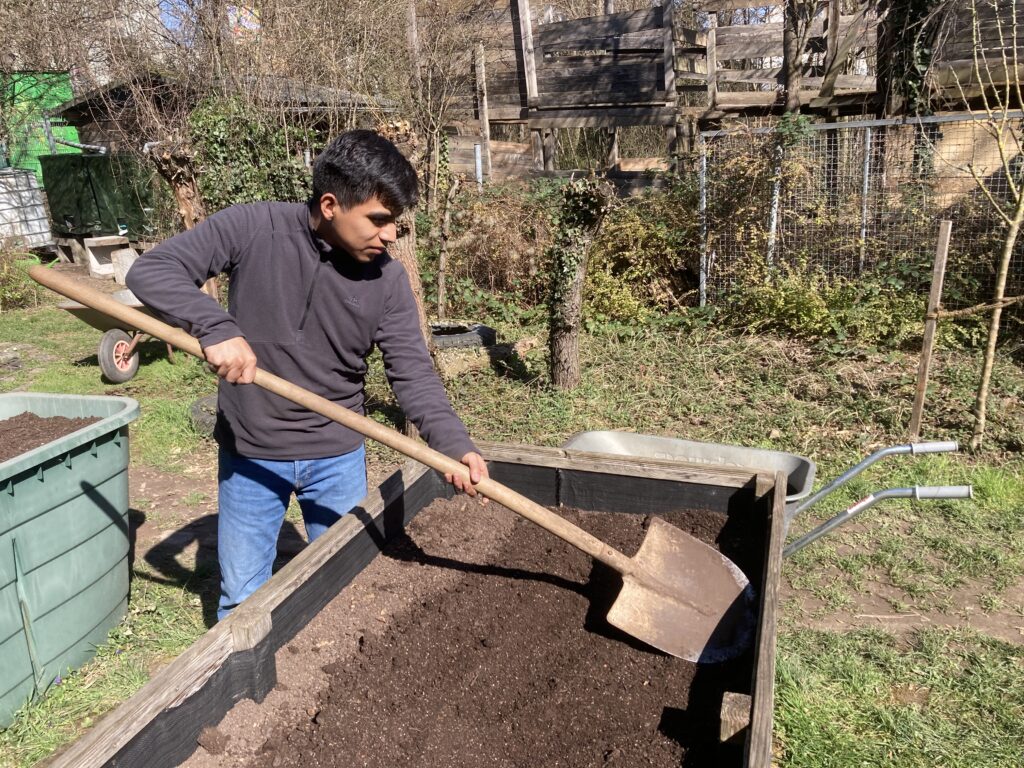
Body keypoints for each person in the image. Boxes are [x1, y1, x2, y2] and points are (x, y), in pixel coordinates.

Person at [126, 130, 488, 621]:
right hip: (252, 453)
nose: (390, 236)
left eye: (395, 223)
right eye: (379, 220)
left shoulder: (388, 279)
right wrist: (215, 326)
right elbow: (153, 271)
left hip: (338, 451)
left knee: (347, 588)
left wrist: (452, 442)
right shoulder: (254, 227)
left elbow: (413, 372)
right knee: (243, 599)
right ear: (331, 204)